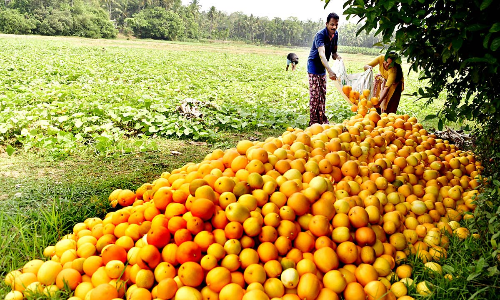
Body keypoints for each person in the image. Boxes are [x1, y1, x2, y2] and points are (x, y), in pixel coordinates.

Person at [307, 12, 342, 126]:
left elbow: (333, 53)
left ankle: (322, 121)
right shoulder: (320, 35)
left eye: (336, 24)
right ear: (327, 24)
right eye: (332, 24)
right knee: (315, 95)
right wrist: (330, 71)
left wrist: (338, 58)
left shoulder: (335, 35)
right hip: (314, 66)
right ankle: (313, 123)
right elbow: (321, 54)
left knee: (322, 95)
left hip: (323, 67)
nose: (334, 27)